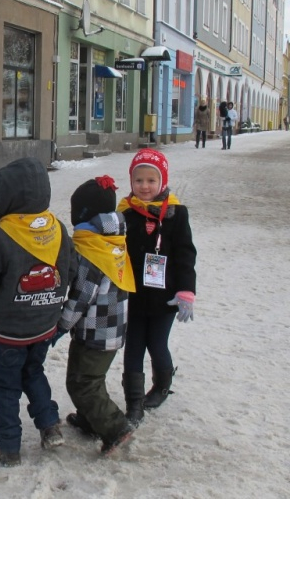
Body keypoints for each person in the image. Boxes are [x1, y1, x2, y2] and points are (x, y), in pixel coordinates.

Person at [0, 157, 76, 467]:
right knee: (33, 371)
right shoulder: (59, 229)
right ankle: (49, 425)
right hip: (44, 325)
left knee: (5, 384)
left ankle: (9, 443)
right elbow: (73, 269)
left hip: (9, 332)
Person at [117, 148, 197, 426]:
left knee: (157, 343)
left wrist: (186, 290)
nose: (145, 186)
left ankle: (161, 386)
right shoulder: (125, 212)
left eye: (151, 180)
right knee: (133, 346)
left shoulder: (176, 213)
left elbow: (186, 254)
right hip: (136, 294)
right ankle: (134, 402)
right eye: (139, 180)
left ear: (162, 181)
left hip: (166, 297)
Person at [59, 176, 136, 455]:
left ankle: (116, 428)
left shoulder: (91, 250)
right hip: (113, 327)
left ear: (81, 215)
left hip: (96, 331)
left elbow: (81, 298)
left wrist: (60, 325)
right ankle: (90, 420)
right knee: (89, 379)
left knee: (83, 384)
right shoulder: (112, 240)